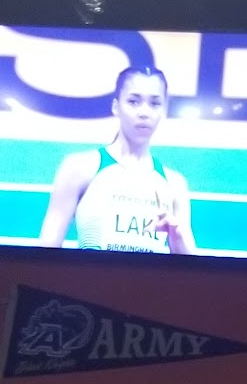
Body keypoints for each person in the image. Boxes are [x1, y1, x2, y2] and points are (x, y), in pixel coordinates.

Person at [36, 64, 196, 253]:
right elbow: (46, 252)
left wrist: (177, 239)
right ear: (116, 107)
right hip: (89, 274)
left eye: (155, 103)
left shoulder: (174, 184)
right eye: (133, 101)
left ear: (164, 110)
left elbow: (191, 266)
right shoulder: (80, 168)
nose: (144, 112)